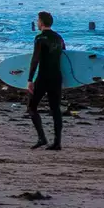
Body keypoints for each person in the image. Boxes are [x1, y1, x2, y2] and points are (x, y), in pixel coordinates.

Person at [27, 10, 65, 151]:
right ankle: (57, 143)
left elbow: (35, 59)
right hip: (57, 78)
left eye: (38, 20)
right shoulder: (59, 38)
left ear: (41, 22)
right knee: (55, 110)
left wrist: (30, 79)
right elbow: (66, 58)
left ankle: (42, 138)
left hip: (43, 78)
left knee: (31, 107)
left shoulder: (39, 38)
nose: (37, 23)